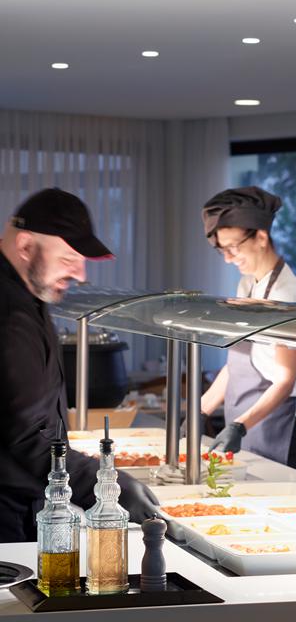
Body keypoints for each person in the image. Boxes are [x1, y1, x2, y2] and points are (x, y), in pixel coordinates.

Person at [0, 188, 159, 543]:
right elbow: (28, 435)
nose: (81, 274)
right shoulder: (9, 315)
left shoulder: (24, 293)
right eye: (69, 258)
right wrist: (105, 484)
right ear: (25, 246)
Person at [200, 186, 296, 471]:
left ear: (261, 237)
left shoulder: (287, 295)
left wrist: (240, 425)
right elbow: (237, 363)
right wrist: (200, 410)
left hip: (276, 430)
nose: (228, 258)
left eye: (233, 248)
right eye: (222, 250)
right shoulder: (248, 284)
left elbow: (285, 380)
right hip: (243, 425)